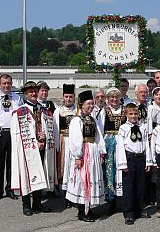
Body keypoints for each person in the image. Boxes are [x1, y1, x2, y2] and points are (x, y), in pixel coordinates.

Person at [10, 81, 55, 216]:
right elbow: (17, 136)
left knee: (40, 174)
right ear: (25, 94)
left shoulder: (45, 110)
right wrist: (35, 143)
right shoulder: (19, 112)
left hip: (43, 149)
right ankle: (26, 205)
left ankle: (37, 204)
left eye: (35, 91)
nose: (34, 93)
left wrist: (44, 138)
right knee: (26, 176)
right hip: (27, 152)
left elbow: (50, 130)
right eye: (30, 91)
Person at [65, 90, 106, 222]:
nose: (91, 106)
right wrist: (78, 156)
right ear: (82, 105)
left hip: (92, 152)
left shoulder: (92, 119)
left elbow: (98, 136)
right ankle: (82, 211)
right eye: (88, 104)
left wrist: (101, 151)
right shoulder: (77, 120)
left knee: (91, 179)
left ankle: (89, 208)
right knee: (83, 181)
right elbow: (76, 139)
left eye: (92, 104)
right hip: (84, 152)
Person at [116, 103, 152, 225]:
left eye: (135, 113)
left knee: (140, 186)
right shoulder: (123, 128)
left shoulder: (142, 126)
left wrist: (148, 161)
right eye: (130, 113)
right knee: (129, 187)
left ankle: (139, 209)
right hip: (129, 159)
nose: (133, 116)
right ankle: (128, 213)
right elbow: (120, 146)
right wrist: (123, 164)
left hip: (141, 158)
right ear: (126, 114)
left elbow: (146, 143)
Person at [97, 87, 124, 214]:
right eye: (111, 97)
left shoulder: (124, 110)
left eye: (116, 97)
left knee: (122, 170)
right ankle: (112, 201)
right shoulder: (104, 111)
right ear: (108, 99)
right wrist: (102, 148)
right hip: (109, 143)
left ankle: (123, 199)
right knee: (110, 171)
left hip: (122, 143)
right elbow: (100, 131)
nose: (114, 99)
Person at [52, 84, 76, 207]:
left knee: (73, 167)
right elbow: (55, 128)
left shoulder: (78, 110)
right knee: (63, 166)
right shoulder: (58, 111)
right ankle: (64, 192)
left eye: (70, 97)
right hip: (62, 141)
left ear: (74, 97)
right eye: (66, 96)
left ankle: (74, 194)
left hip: (74, 142)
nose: (68, 99)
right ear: (63, 97)